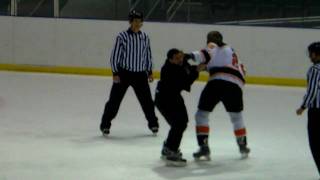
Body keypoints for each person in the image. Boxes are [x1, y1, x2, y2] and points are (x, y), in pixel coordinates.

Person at [192, 31, 250, 160]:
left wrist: (188, 56)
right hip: (236, 86)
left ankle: (204, 147)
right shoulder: (231, 52)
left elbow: (204, 55)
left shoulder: (213, 47)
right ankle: (242, 145)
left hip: (217, 82)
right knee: (236, 116)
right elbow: (242, 71)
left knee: (202, 114)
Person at [99, 10, 158, 136]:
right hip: (124, 74)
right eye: (135, 21)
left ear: (142, 22)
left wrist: (150, 71)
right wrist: (115, 73)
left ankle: (153, 123)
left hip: (140, 75)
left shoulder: (145, 37)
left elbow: (147, 55)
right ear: (130, 22)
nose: (137, 23)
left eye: (139, 21)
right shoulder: (122, 37)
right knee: (114, 101)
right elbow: (115, 56)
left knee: (147, 101)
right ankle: (105, 125)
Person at [155, 48, 208, 167]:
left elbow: (187, 68)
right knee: (179, 124)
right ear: (170, 59)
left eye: (181, 57)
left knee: (181, 123)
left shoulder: (181, 62)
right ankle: (171, 151)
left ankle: (168, 148)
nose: (180, 60)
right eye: (177, 58)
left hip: (174, 97)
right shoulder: (168, 70)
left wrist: (198, 65)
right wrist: (197, 70)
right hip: (164, 99)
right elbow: (185, 82)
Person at [296, 41, 320, 178]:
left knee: (316, 145)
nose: (310, 57)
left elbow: (312, 92)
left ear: (316, 55)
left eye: (311, 54)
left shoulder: (315, 69)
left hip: (317, 113)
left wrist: (303, 107)